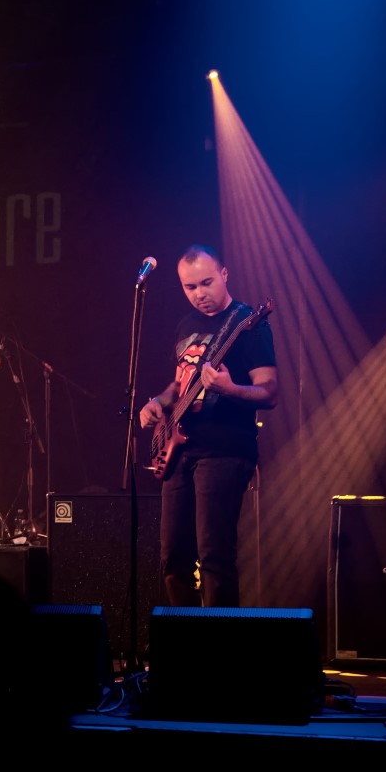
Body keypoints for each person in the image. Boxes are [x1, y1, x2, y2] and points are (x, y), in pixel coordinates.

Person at [138, 244, 278, 608]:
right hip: (179, 450)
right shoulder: (186, 326)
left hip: (224, 449)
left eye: (206, 282)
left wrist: (230, 389)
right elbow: (179, 385)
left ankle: (219, 640)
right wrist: (158, 403)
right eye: (190, 287)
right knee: (173, 557)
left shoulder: (248, 324)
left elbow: (269, 392)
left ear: (224, 274)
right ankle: (185, 637)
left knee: (214, 556)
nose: (199, 293)